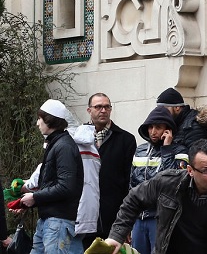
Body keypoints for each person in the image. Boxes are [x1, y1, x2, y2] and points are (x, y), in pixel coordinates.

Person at [105, 139, 207, 253]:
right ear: (190, 170)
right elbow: (134, 199)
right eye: (206, 170)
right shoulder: (167, 183)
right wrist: (117, 235)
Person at [16, 100, 85, 254]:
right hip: (51, 222)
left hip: (58, 223)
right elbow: (53, 185)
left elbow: (66, 187)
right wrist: (31, 201)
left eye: (39, 119)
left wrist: (35, 197)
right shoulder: (57, 144)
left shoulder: (63, 146)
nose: (37, 123)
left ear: (49, 120)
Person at [128, 105, 185, 254]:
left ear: (168, 130)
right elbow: (132, 186)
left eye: (158, 127)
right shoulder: (140, 150)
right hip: (139, 218)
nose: (153, 131)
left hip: (161, 218)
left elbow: (173, 182)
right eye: (150, 127)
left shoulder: (180, 151)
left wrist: (166, 149)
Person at [84, 93, 137, 242]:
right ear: (89, 110)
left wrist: (127, 220)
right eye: (98, 107)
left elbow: (129, 181)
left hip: (114, 217)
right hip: (84, 217)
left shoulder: (126, 139)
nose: (103, 110)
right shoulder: (78, 138)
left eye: (107, 107)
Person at [156, 87, 207, 155]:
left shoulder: (193, 127)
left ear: (177, 107)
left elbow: (197, 157)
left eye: (164, 109)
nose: (161, 112)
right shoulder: (173, 124)